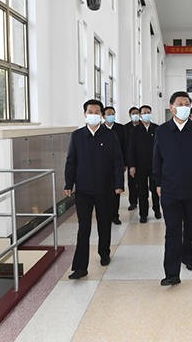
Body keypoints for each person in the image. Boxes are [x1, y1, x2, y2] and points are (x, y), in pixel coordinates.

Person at [153, 91, 192, 286]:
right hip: (169, 189)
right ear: (172, 107)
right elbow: (156, 160)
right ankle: (172, 273)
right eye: (180, 104)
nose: (183, 107)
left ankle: (187, 256)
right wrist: (157, 183)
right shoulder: (162, 131)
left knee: (190, 226)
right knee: (172, 230)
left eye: (187, 104)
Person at [64, 99, 124, 280]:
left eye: (97, 112)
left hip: (105, 188)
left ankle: (104, 252)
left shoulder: (110, 135)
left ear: (102, 115)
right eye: (90, 112)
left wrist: (119, 184)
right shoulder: (77, 136)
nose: (93, 115)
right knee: (83, 227)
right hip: (83, 189)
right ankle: (80, 267)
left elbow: (117, 161)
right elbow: (71, 161)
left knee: (104, 223)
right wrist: (68, 183)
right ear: (85, 114)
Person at [128, 105, 160, 223]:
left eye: (148, 112)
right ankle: (143, 214)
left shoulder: (157, 129)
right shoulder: (134, 131)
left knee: (155, 189)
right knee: (142, 191)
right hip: (140, 166)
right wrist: (132, 166)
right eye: (144, 113)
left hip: (154, 166)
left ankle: (157, 210)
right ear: (140, 116)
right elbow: (131, 149)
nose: (147, 115)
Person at [102, 106, 127, 225]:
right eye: (108, 114)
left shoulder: (120, 128)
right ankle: (105, 215)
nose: (111, 116)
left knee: (116, 191)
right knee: (104, 192)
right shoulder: (100, 129)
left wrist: (125, 163)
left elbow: (124, 146)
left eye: (113, 114)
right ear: (103, 116)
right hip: (103, 165)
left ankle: (114, 215)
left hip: (117, 164)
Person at [124, 107, 141, 211]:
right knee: (132, 182)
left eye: (137, 113)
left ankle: (142, 200)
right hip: (131, 159)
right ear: (130, 115)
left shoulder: (143, 126)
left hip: (142, 159)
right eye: (133, 113)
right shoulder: (125, 128)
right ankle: (133, 202)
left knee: (142, 183)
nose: (135, 115)